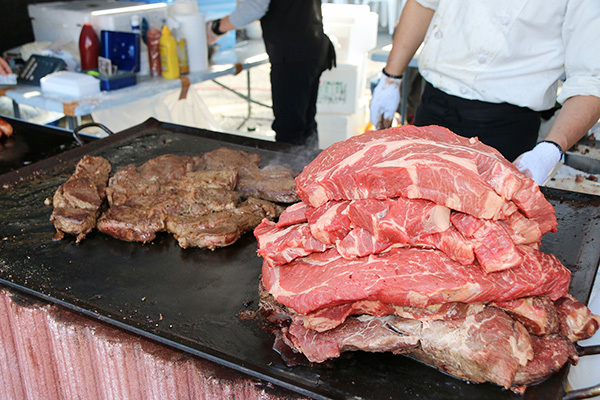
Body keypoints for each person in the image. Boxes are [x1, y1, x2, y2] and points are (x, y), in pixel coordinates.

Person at [370, 0, 600, 184]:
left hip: (503, 131)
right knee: (415, 220)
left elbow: (591, 79)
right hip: (431, 110)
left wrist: (549, 151)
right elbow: (424, 3)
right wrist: (391, 78)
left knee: (482, 234)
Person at [206, 0, 336, 147]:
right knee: (305, 125)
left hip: (293, 54)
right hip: (312, 43)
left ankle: (294, 167)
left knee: (290, 130)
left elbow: (254, 8)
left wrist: (216, 28)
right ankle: (311, 165)